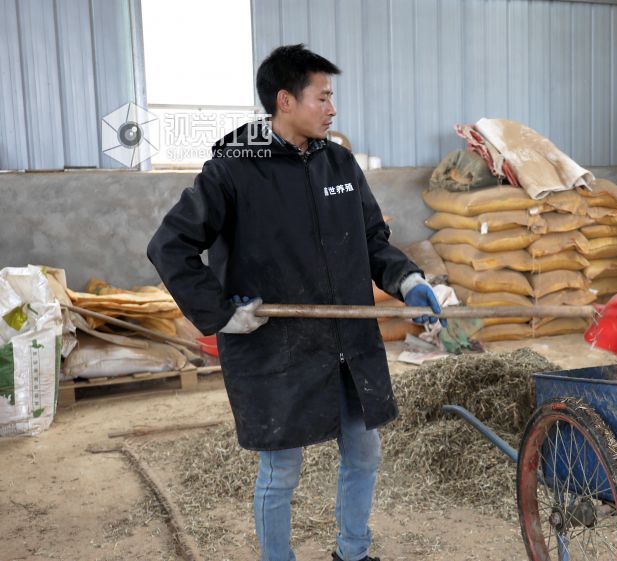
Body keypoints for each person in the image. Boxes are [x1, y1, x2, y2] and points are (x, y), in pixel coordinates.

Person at [147, 43, 442, 561]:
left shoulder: (340, 163)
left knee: (364, 451)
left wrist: (409, 280)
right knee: (281, 469)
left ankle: (353, 552)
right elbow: (169, 248)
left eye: (332, 97)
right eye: (322, 97)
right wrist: (220, 314)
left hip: (348, 339)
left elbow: (373, 240)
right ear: (286, 100)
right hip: (276, 347)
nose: (332, 108)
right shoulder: (234, 169)